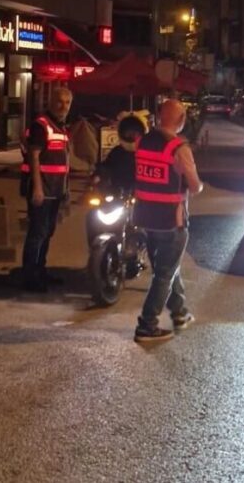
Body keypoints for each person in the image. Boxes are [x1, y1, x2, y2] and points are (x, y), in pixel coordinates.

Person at [132, 99, 203, 343]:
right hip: (172, 221)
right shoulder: (178, 147)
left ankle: (180, 312)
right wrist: (198, 184)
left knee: (168, 268)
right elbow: (194, 186)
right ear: (181, 121)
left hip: (145, 218)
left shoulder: (142, 142)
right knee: (164, 274)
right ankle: (147, 325)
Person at [20, 87, 73, 292]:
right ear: (51, 102)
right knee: (37, 233)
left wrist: (65, 189)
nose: (64, 106)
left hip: (56, 190)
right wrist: (37, 189)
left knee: (47, 232)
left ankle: (40, 270)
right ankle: (30, 277)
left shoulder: (59, 126)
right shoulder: (42, 125)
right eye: (60, 101)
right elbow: (34, 156)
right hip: (43, 189)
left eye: (67, 102)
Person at [94, 115, 146, 197]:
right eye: (128, 134)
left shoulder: (148, 153)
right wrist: (98, 175)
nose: (131, 136)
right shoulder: (117, 152)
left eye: (134, 134)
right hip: (117, 195)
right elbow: (106, 166)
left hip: (141, 197)